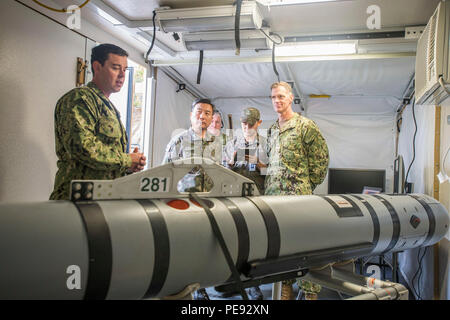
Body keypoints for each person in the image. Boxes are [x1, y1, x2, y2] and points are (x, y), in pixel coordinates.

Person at [50, 43, 146, 200]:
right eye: (115, 68)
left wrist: (129, 166)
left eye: (125, 70)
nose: (122, 75)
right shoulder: (80, 99)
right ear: (97, 67)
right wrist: (127, 159)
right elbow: (84, 148)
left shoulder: (108, 106)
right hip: (75, 200)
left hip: (101, 198)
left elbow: (105, 161)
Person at [265, 81, 329, 300]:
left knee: (304, 248)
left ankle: (310, 293)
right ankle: (284, 289)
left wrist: (305, 186)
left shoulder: (305, 126)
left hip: (298, 200)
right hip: (274, 201)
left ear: (291, 98)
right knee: (280, 249)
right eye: (273, 97)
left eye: (281, 96)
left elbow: (321, 161)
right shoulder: (272, 130)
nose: (277, 101)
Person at [222, 107, 268, 300]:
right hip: (235, 199)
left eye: (250, 123)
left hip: (256, 199)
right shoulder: (232, 142)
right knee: (232, 241)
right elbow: (223, 169)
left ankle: (253, 286)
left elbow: (274, 173)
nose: (246, 126)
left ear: (259, 123)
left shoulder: (266, 144)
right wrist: (230, 163)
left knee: (254, 243)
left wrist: (260, 164)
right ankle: (230, 281)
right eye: (243, 123)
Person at [162, 98, 223, 192]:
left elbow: (219, 172)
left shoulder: (216, 143)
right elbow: (165, 173)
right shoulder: (179, 141)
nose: (202, 116)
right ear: (191, 115)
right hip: (184, 199)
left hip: (210, 199)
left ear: (211, 119)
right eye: (199, 112)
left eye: (207, 113)